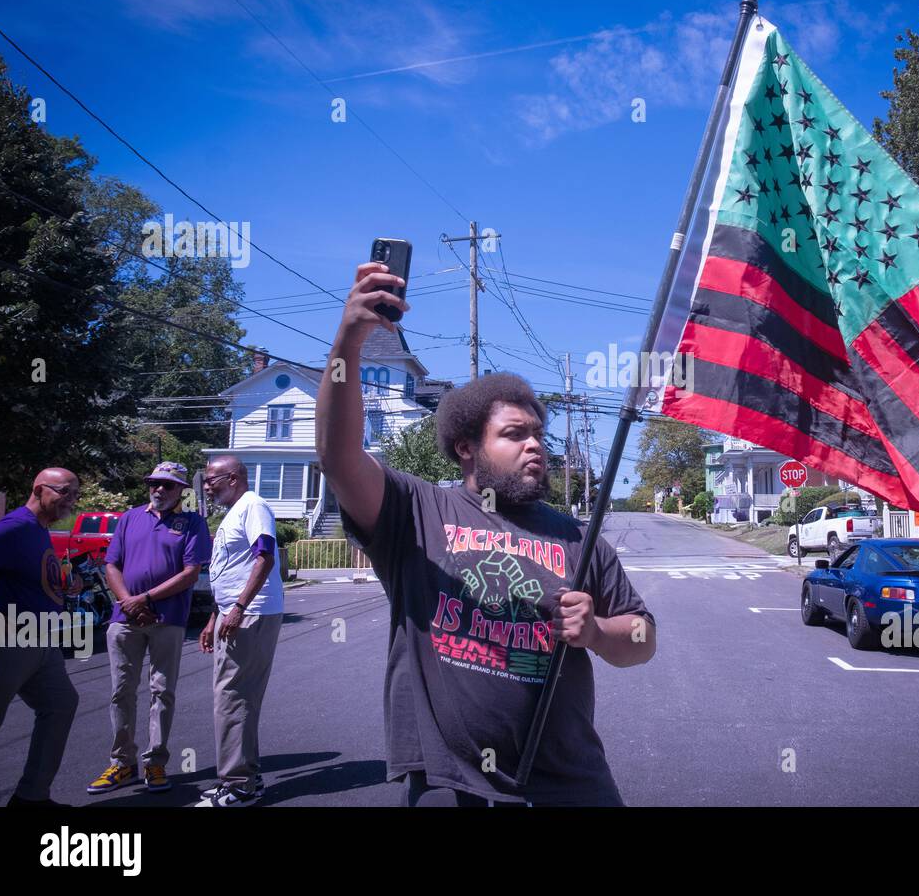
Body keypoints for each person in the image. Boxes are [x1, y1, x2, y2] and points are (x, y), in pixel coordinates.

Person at [315, 260, 657, 806]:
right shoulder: (417, 512)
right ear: (466, 447)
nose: (535, 446)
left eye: (538, 434)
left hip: (569, 785)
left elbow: (643, 641)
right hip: (451, 786)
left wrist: (597, 632)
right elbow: (337, 457)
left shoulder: (577, 538)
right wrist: (349, 340)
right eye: (514, 434)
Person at [86, 462, 210, 795]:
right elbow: (112, 564)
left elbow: (190, 572)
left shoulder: (193, 523)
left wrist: (146, 599)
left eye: (168, 486)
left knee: (162, 692)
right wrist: (128, 601)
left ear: (181, 490)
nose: (159, 490)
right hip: (124, 620)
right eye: (154, 483)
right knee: (121, 691)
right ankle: (121, 763)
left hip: (166, 620)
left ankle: (155, 762)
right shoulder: (129, 518)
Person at [0, 468, 83, 807]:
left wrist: (66, 583)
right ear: (40, 489)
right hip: (9, 639)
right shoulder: (14, 527)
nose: (70, 501)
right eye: (64, 493)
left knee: (60, 704)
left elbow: (32, 577)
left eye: (74, 496)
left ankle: (31, 798)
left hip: (41, 641)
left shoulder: (40, 530)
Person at [196, 456, 281, 807]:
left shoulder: (253, 506)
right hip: (237, 614)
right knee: (240, 696)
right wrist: (215, 616)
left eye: (211, 479)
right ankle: (247, 776)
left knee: (231, 697)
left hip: (250, 616)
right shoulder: (235, 511)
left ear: (232, 478)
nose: (205, 486)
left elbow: (265, 556)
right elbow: (232, 569)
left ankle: (237, 786)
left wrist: (239, 608)